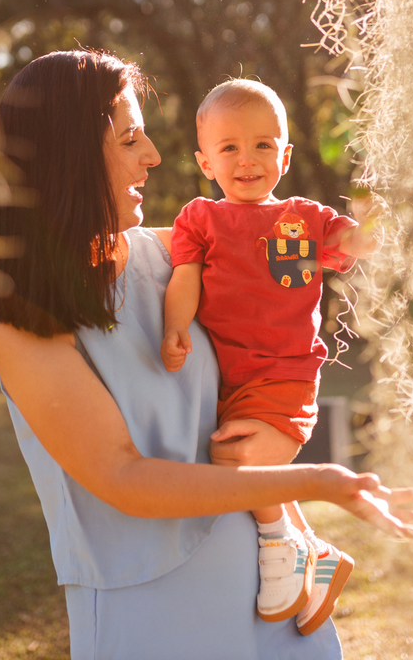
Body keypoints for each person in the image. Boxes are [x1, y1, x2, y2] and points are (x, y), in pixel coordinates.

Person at [0, 49, 413, 660]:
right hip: (152, 612)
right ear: (67, 154)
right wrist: (317, 479)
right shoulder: (21, 314)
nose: (152, 157)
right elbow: (122, 478)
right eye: (130, 139)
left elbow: (305, 257)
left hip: (274, 597)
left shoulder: (177, 255)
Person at [160, 79, 373, 636]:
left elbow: (354, 243)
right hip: (228, 379)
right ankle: (317, 555)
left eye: (263, 145)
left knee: (241, 462)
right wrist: (174, 326)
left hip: (286, 371)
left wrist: (378, 225)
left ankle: (283, 543)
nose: (247, 159)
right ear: (206, 160)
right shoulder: (199, 219)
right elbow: (184, 278)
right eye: (229, 147)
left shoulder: (306, 218)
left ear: (285, 154)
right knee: (234, 457)